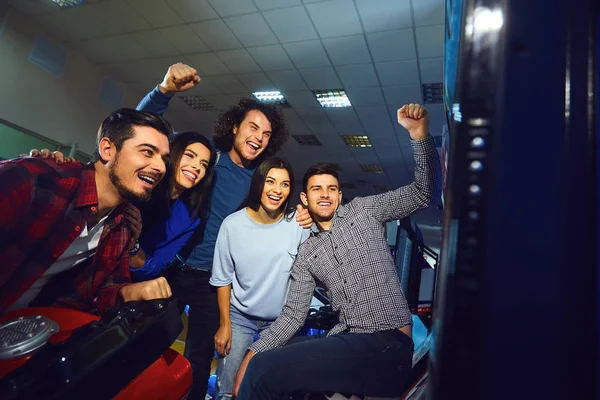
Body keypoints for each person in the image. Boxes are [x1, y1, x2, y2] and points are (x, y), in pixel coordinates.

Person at [232, 103, 442, 399]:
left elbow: (424, 192)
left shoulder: (364, 211)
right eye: (317, 189)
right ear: (305, 198)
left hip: (387, 343)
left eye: (331, 188)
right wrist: (253, 352)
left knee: (266, 370)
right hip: (348, 343)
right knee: (272, 367)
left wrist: (419, 135)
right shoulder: (307, 253)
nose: (325, 194)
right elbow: (293, 316)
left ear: (340, 195)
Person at [137, 62, 312, 399]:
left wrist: (300, 215)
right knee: (147, 346)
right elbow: (143, 132)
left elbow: (278, 212)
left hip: (212, 284)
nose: (259, 138)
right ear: (234, 127)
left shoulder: (261, 183)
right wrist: (163, 91)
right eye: (253, 128)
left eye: (266, 134)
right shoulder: (206, 161)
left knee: (198, 361)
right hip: (170, 269)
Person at [0, 109, 175, 315]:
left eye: (164, 159)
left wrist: (127, 292)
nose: (160, 167)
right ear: (107, 149)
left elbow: (100, 288)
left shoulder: (124, 224)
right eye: (147, 151)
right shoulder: (33, 180)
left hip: (21, 332)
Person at [209, 157, 310, 400]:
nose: (277, 190)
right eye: (270, 181)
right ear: (258, 184)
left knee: (269, 390)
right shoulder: (232, 225)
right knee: (225, 391)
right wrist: (225, 325)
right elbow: (223, 279)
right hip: (239, 317)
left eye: (284, 184)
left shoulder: (298, 224)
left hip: (279, 323)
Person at [130, 131, 216, 282]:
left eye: (204, 164)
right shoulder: (141, 183)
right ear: (174, 153)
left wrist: (132, 247)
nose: (196, 167)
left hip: (128, 281)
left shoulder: (190, 217)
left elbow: (155, 267)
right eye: (190, 155)